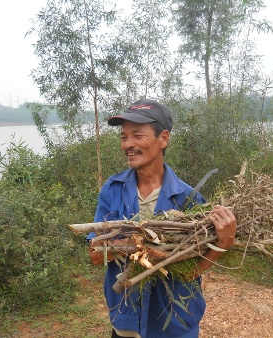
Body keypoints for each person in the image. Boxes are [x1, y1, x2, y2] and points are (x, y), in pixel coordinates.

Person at [87, 99, 236, 338]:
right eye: (124, 137)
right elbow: (95, 254)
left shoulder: (189, 200)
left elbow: (190, 273)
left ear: (163, 138)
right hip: (126, 320)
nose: (128, 145)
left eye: (137, 135)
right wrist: (142, 245)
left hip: (173, 326)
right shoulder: (112, 190)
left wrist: (223, 244)